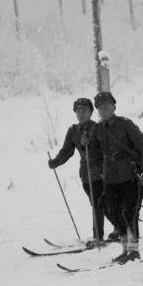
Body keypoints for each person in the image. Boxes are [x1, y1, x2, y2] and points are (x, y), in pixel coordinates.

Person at [91, 91, 143, 263]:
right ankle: (125, 249)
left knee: (129, 213)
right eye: (100, 108)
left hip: (130, 176)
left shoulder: (126, 125)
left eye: (106, 106)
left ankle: (134, 251)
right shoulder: (97, 129)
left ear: (114, 107)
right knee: (115, 213)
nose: (103, 110)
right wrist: (85, 144)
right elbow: (93, 153)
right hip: (110, 179)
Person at [49, 97, 116, 247]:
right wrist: (56, 162)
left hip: (101, 172)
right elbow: (67, 151)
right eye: (78, 111)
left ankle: (98, 237)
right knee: (100, 204)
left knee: (99, 204)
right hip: (86, 174)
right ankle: (119, 228)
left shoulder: (99, 127)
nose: (81, 113)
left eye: (84, 110)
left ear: (91, 112)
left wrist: (90, 143)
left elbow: (108, 149)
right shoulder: (73, 131)